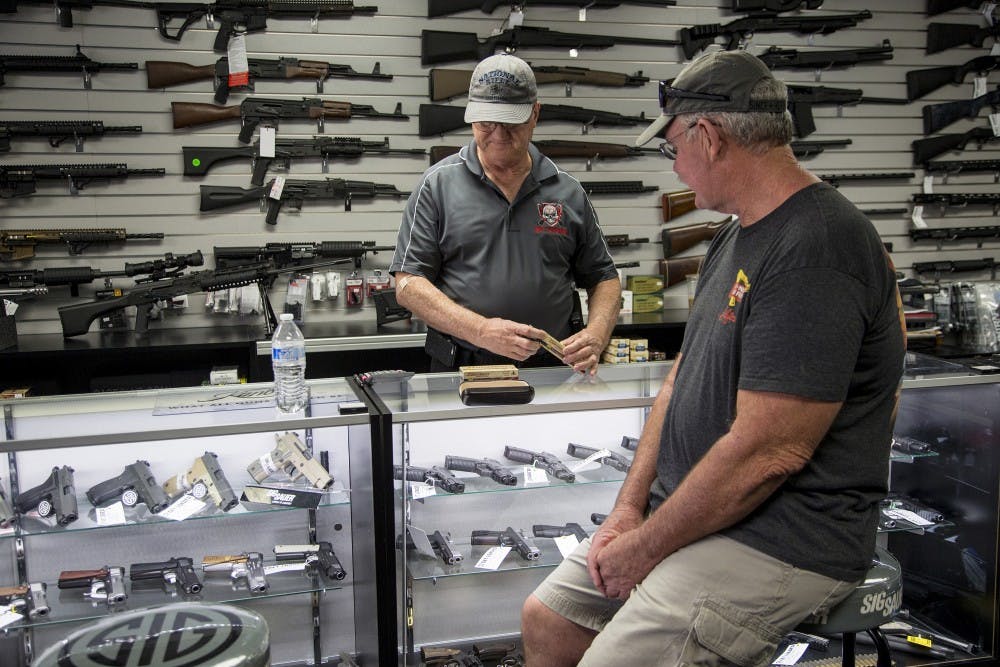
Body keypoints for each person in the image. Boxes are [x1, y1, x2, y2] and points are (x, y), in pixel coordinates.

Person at [521, 49, 906, 666]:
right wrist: (627, 511)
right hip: (698, 512)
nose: (674, 167)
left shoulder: (818, 246)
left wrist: (644, 547)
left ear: (709, 135)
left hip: (784, 537)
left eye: (673, 148)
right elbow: (679, 383)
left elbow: (768, 453)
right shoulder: (736, 232)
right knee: (549, 620)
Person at [389, 53, 621, 374]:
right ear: (471, 117)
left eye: (510, 122)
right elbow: (409, 284)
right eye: (486, 121)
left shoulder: (567, 191)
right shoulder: (436, 186)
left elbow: (604, 278)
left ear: (535, 114)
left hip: (551, 368)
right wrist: (481, 331)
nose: (498, 134)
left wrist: (596, 336)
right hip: (463, 367)